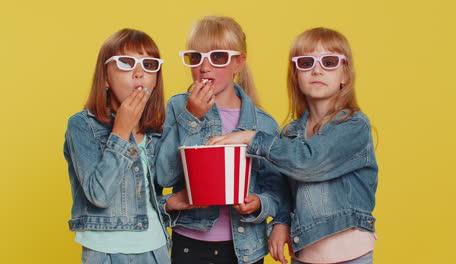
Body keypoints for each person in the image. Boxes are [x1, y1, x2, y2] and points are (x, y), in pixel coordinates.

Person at [207, 27, 378, 264]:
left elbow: (309, 162)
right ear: (296, 74)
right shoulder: (291, 132)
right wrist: (281, 223)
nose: (317, 69)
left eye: (329, 62)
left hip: (349, 255)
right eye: (306, 62)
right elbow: (287, 186)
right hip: (304, 253)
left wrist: (251, 138)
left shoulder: (353, 125)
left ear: (345, 76)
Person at [156, 16, 288, 264]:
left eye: (217, 57)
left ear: (239, 62)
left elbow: (277, 190)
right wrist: (191, 118)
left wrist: (260, 203)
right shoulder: (177, 107)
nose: (204, 66)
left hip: (245, 249)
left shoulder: (263, 124)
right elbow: (163, 177)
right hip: (190, 243)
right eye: (195, 57)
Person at [63, 29, 171, 263]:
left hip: (156, 250)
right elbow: (98, 195)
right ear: (105, 79)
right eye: (126, 62)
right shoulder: (81, 125)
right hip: (105, 253)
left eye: (149, 64)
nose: (139, 73)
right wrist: (121, 132)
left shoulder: (158, 129)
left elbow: (157, 188)